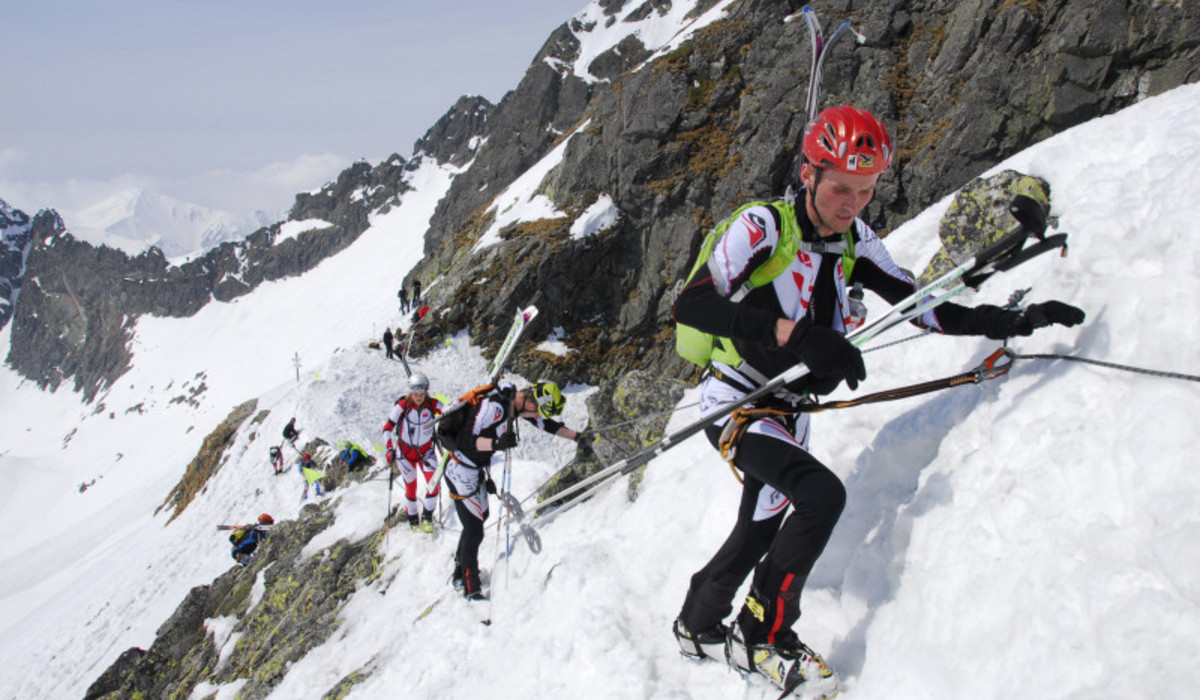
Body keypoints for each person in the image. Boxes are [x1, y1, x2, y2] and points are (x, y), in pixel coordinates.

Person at [670, 105, 1085, 689]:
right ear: (808, 174)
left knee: (763, 524)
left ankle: (696, 621)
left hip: (791, 409)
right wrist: (797, 334)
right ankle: (761, 633)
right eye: (841, 188)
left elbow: (926, 307)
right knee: (820, 495)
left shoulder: (857, 240)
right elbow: (691, 305)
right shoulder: (762, 228)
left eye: (865, 192)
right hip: (735, 398)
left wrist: (1013, 319)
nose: (852, 205)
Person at [441, 380, 581, 600]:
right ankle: (470, 586)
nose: (535, 415)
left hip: (474, 469)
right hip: (461, 470)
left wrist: (578, 437)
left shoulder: (517, 405)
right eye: (536, 410)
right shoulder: (495, 408)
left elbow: (545, 424)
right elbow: (467, 441)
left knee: (478, 519)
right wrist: (496, 444)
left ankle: (461, 566)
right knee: (474, 528)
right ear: (529, 399)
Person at [382, 372, 444, 532]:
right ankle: (413, 518)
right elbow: (387, 428)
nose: (418, 397)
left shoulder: (432, 404)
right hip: (405, 454)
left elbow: (450, 412)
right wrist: (389, 448)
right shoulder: (403, 405)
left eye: (422, 393)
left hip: (426, 453)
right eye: (415, 393)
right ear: (411, 391)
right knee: (411, 487)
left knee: (434, 484)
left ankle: (427, 517)